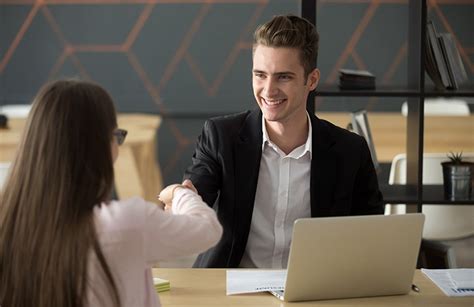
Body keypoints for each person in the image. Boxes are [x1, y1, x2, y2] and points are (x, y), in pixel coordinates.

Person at [184, 14, 384, 269]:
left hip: (316, 290)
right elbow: (193, 200)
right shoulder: (221, 136)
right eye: (260, 75)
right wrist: (182, 198)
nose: (268, 90)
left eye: (283, 77)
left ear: (311, 80)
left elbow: (372, 236)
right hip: (235, 289)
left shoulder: (350, 151)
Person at [0, 80, 222, 307]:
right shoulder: (127, 223)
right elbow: (208, 229)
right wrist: (180, 193)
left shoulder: (8, 224)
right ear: (102, 145)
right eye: (116, 135)